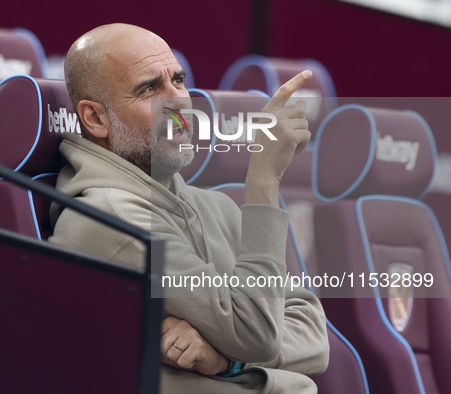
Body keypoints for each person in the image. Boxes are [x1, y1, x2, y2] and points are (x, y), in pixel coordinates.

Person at [49, 23, 329, 393]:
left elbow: (313, 333)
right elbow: (259, 334)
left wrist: (226, 360)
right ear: (96, 119)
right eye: (149, 88)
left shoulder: (216, 205)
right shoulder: (108, 218)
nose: (178, 101)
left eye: (178, 81)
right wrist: (262, 180)